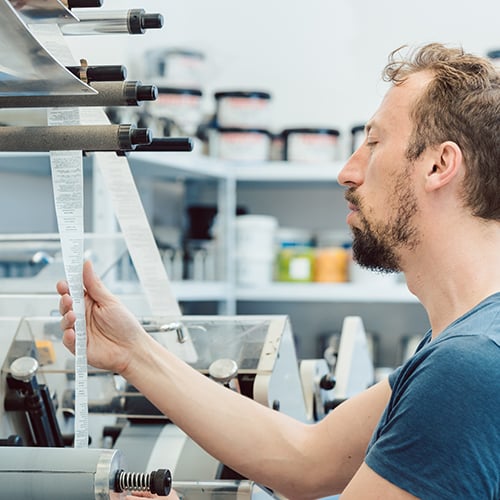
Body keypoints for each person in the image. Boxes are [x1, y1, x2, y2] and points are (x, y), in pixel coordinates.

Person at [57, 43, 500, 499]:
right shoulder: (464, 343)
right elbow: (306, 457)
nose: (346, 172)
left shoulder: (468, 368)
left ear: (439, 165)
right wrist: (133, 352)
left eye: (373, 143)